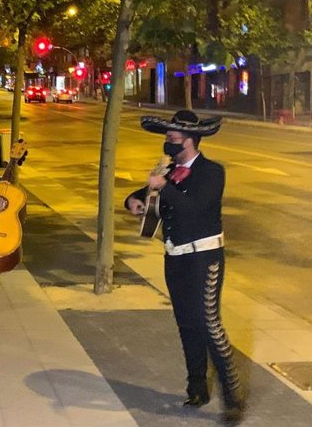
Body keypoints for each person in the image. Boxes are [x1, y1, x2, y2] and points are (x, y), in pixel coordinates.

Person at [125, 110, 244, 424]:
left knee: (208, 324)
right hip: (174, 257)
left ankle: (232, 397)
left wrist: (163, 186)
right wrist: (133, 201)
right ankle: (197, 388)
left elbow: (193, 208)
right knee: (186, 324)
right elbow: (144, 194)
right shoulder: (171, 171)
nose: (168, 142)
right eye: (167, 137)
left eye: (173, 138)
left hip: (204, 259)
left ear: (190, 140)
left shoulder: (211, 172)